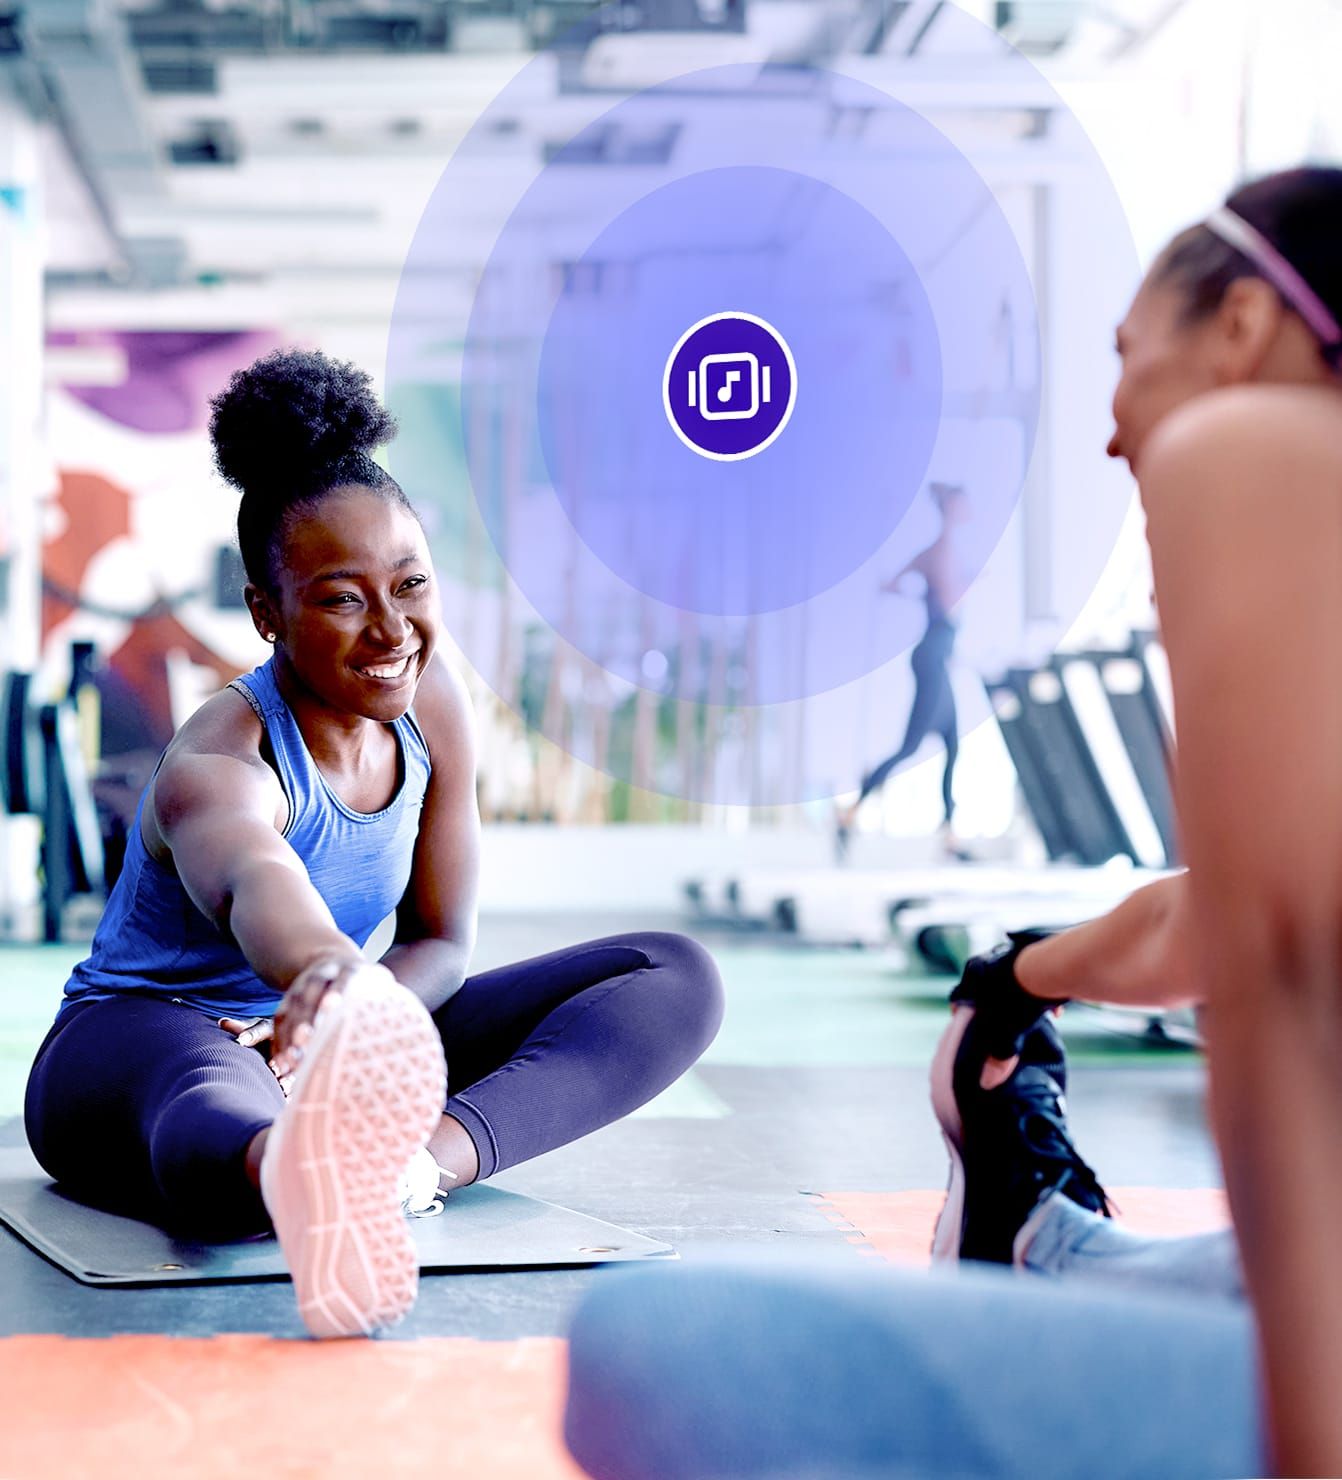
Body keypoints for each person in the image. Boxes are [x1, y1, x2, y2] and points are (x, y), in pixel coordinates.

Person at [564, 165, 1342, 1477]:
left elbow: (1278, 997)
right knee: (1169, 1278)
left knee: (652, 1346)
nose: (1109, 430)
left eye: (1121, 353)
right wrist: (1013, 979)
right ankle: (1041, 1241)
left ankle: (1042, 1253)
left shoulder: (1244, 453)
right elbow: (1223, 910)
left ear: (1244, 329)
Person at [23, 349, 724, 1340]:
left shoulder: (432, 708)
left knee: (673, 972)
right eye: (343, 597)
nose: (392, 628)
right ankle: (282, 1167)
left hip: (334, 1029)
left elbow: (440, 942)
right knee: (208, 1092)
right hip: (142, 1041)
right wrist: (322, 978)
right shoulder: (218, 758)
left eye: (411, 583)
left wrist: (348, 1017)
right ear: (267, 613)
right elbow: (255, 874)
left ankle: (401, 1173)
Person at [835, 481, 971, 863]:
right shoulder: (942, 552)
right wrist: (967, 585)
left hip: (936, 656)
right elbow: (949, 605)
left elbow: (893, 585)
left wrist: (920, 595)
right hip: (932, 655)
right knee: (912, 747)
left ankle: (950, 834)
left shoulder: (935, 552)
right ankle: (851, 811)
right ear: (951, 509)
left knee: (952, 744)